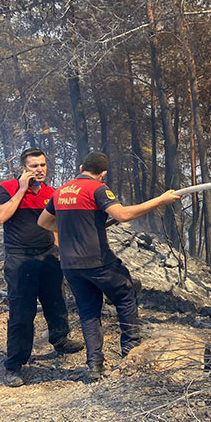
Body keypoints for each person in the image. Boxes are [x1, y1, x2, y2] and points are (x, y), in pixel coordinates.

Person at [37, 151, 180, 381]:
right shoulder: (97, 189)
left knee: (88, 311)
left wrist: (69, 231)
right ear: (103, 173)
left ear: (82, 165)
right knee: (126, 293)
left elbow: (43, 221)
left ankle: (94, 365)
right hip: (98, 261)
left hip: (71, 265)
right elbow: (122, 215)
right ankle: (131, 355)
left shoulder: (61, 191)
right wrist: (161, 200)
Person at [0, 148, 84, 388]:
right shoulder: (6, 188)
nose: (40, 169)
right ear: (24, 168)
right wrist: (22, 189)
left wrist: (60, 252)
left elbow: (54, 226)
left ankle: (60, 338)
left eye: (42, 165)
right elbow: (0, 216)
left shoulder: (51, 192)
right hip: (19, 259)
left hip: (47, 256)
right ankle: (14, 365)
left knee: (56, 302)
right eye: (34, 166)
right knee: (22, 313)